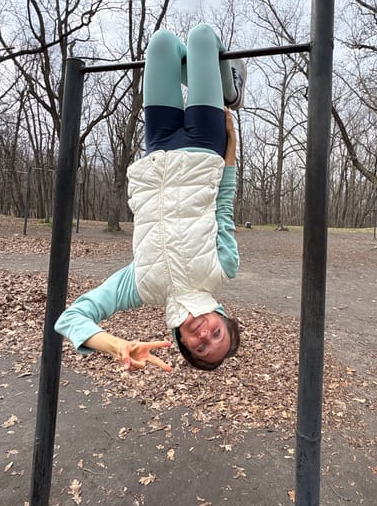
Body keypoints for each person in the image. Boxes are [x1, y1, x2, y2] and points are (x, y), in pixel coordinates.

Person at [55, 23, 246, 373]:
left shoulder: (141, 286)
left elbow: (72, 317)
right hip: (205, 149)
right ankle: (229, 93)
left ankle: (207, 79)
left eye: (200, 347)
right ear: (221, 315)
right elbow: (224, 205)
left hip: (158, 149)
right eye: (216, 333)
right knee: (203, 37)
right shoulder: (221, 269)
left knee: (162, 44)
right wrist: (232, 149)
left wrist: (116, 346)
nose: (204, 334)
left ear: (182, 344)